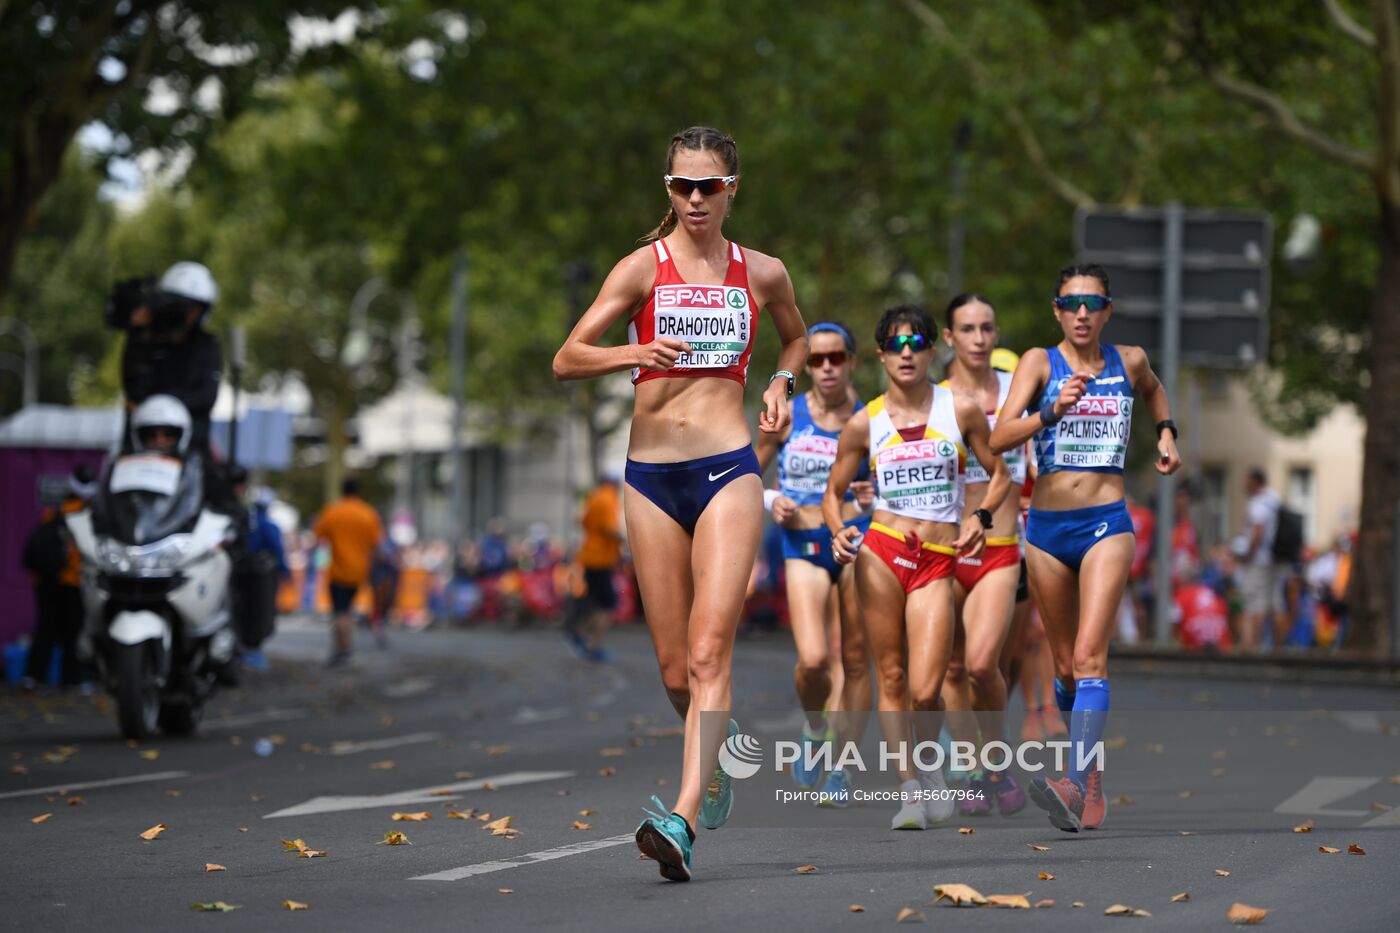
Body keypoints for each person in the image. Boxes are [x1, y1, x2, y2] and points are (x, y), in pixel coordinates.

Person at [553, 126, 806, 882]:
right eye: (682, 186)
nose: (696, 198)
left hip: (729, 469)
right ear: (668, 189)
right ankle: (717, 760)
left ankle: (683, 818)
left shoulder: (763, 272)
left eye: (709, 186)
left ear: (733, 189)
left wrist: (781, 383)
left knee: (706, 654)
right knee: (673, 671)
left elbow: (794, 340)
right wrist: (635, 351)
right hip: (651, 478)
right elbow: (567, 358)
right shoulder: (642, 268)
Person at [990, 262, 1181, 833]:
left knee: (1091, 656)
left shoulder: (1130, 361)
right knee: (1067, 668)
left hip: (1106, 522)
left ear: (1107, 311)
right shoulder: (1037, 363)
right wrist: (1050, 411)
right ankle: (1090, 779)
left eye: (1092, 304)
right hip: (1047, 529)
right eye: (1071, 303)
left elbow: (1154, 390)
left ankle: (1072, 783)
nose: (1081, 313)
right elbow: (999, 437)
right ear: (1056, 311)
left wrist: (1167, 433)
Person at [825, 304, 1010, 830]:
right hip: (882, 550)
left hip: (936, 558)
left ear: (932, 350)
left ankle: (929, 766)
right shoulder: (866, 421)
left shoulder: (961, 409)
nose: (906, 354)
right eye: (895, 345)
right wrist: (838, 529)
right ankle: (909, 789)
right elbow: (833, 492)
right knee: (891, 674)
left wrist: (980, 516)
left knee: (926, 691)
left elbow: (1000, 474)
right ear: (881, 355)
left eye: (916, 344)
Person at [753, 320, 873, 806]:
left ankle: (842, 768)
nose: (826, 367)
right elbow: (749, 471)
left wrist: (874, 496)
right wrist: (771, 499)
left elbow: (894, 483)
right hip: (801, 542)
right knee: (814, 661)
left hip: (855, 540)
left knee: (854, 660)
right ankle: (815, 728)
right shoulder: (788, 414)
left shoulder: (871, 419)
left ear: (851, 362)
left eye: (835, 357)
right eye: (816, 359)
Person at [934, 294, 1028, 818]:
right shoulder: (934, 399)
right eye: (967, 329)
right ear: (949, 337)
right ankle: (971, 767)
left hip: (1000, 546)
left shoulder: (1018, 393)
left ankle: (996, 757)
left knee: (982, 664)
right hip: (945, 548)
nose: (978, 338)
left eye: (986, 328)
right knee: (951, 667)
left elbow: (1042, 457)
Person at [118, 262, 222, 457]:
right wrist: (139, 333)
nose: (186, 314)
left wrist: (165, 402)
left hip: (192, 448)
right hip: (141, 446)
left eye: (193, 307)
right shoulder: (147, 340)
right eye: (179, 305)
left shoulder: (207, 345)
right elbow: (133, 388)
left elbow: (206, 396)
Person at [21, 465, 96, 691]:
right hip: (71, 581)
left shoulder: (55, 510)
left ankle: (34, 676)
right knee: (73, 632)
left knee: (45, 629)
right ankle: (72, 679)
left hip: (45, 580)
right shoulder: (87, 513)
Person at [312, 477, 385, 667]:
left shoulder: (332, 511)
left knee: (340, 611)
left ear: (342, 491)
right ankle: (344, 646)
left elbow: (318, 538)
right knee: (348, 609)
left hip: (337, 570)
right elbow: (377, 545)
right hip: (359, 571)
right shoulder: (368, 513)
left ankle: (342, 649)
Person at [571, 474, 624, 662]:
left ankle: (579, 631)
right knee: (608, 604)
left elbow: (581, 521)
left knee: (595, 601)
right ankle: (594, 646)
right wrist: (625, 540)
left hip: (588, 555)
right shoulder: (608, 498)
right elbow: (610, 528)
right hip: (601, 559)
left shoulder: (593, 497)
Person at [1239, 467, 1285, 651]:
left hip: (1259, 560)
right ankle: (1278, 648)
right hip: (1275, 558)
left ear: (1255, 481)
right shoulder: (1274, 499)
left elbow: (1258, 529)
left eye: (1247, 480)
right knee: (1276, 603)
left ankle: (1252, 646)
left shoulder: (1258, 502)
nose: (1244, 484)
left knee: (1253, 603)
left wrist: (1248, 555)